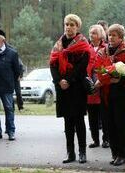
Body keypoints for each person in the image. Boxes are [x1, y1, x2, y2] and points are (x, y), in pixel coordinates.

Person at [49, 14, 90, 164]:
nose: (69, 27)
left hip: (77, 87)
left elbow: (82, 66)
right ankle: (70, 152)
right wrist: (59, 80)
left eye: (72, 25)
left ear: (77, 27)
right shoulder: (58, 44)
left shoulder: (83, 44)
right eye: (67, 24)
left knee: (79, 121)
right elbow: (52, 64)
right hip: (63, 88)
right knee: (68, 122)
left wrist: (69, 80)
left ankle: (82, 152)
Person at [95, 24, 125, 166]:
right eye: (109, 35)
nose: (111, 38)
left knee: (120, 124)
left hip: (122, 93)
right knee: (109, 124)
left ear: (121, 37)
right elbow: (97, 68)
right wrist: (103, 78)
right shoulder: (102, 51)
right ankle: (114, 153)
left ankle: (122, 155)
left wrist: (119, 78)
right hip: (106, 93)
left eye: (114, 35)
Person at [0, 29, 24, 134]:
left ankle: (10, 131)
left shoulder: (12, 53)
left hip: (6, 87)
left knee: (9, 108)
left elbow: (17, 71)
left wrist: (12, 82)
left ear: (3, 40)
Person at [87, 24, 109, 149]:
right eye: (90, 32)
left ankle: (106, 139)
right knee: (92, 115)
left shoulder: (106, 47)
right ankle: (95, 140)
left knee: (104, 115)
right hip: (90, 84)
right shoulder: (87, 48)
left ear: (100, 35)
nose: (91, 35)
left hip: (102, 84)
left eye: (94, 33)